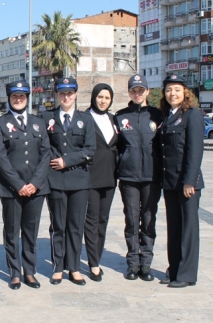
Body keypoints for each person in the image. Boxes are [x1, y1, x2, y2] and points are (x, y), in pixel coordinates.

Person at [0, 80, 50, 290]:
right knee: (11, 231)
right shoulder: (0, 123)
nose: (18, 100)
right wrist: (18, 184)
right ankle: (15, 272)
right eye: (15, 96)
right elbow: (0, 157)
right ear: (9, 98)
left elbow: (46, 154)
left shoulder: (38, 122)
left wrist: (34, 183)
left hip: (36, 189)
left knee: (30, 231)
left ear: (27, 98)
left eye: (22, 96)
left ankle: (30, 271)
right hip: (11, 189)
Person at [40, 77, 96, 286]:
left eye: (69, 93)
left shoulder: (86, 119)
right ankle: (58, 266)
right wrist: (57, 161)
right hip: (55, 179)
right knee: (58, 225)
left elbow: (90, 149)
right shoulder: (47, 118)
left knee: (75, 226)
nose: (66, 97)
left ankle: (73, 267)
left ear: (75, 94)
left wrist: (67, 160)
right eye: (62, 93)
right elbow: (44, 146)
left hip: (79, 180)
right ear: (57, 94)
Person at [113, 74, 163, 282]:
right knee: (132, 221)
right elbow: (116, 147)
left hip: (152, 177)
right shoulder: (120, 116)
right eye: (134, 90)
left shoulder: (158, 116)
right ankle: (133, 263)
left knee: (149, 220)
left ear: (147, 92)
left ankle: (147, 264)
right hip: (129, 177)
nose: (137, 93)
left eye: (141, 90)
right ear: (129, 92)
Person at [159, 74, 205, 288]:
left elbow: (194, 150)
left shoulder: (192, 115)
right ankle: (174, 268)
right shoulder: (167, 116)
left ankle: (187, 274)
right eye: (169, 89)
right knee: (174, 227)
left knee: (188, 228)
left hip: (187, 183)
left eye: (177, 89)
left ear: (185, 92)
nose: (172, 94)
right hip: (170, 182)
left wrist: (190, 181)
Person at [83, 83, 118, 282]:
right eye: (100, 97)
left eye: (107, 97)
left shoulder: (114, 119)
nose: (103, 101)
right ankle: (93, 263)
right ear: (94, 97)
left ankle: (98, 256)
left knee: (103, 221)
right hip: (90, 177)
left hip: (110, 177)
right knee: (92, 221)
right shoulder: (85, 118)